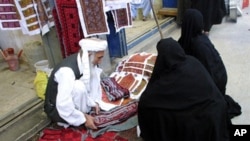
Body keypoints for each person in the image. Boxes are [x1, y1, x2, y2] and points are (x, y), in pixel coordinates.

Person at [138, 37, 231, 141]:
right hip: (214, 115)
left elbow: (147, 102)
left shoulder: (165, 81)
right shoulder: (193, 61)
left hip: (193, 126)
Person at [178, 9, 241, 118]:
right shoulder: (194, 38)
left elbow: (209, 72)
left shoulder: (198, 45)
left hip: (213, 83)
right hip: (213, 77)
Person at [44, 38, 107, 129]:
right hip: (57, 110)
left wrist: (94, 102)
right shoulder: (66, 72)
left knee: (86, 81)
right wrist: (83, 119)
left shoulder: (87, 61)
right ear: (89, 55)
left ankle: (83, 113)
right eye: (99, 58)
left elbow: (94, 83)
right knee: (78, 86)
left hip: (71, 103)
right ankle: (79, 118)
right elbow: (63, 105)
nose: (100, 61)